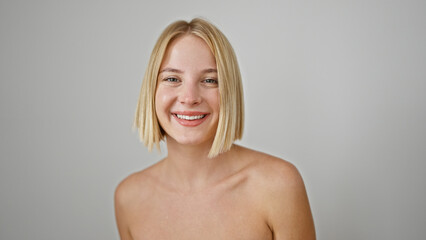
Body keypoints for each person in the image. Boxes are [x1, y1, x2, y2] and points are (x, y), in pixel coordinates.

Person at [114, 18, 315, 240]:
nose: (190, 98)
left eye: (210, 81)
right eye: (172, 78)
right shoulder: (129, 198)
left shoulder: (278, 186)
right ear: (151, 90)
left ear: (229, 92)